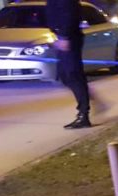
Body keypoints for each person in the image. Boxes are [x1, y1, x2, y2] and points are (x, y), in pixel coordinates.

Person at [46, 0, 92, 129]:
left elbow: (69, 13)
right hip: (63, 35)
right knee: (65, 75)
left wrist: (64, 37)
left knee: (72, 74)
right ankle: (84, 103)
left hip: (69, 37)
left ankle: (83, 114)